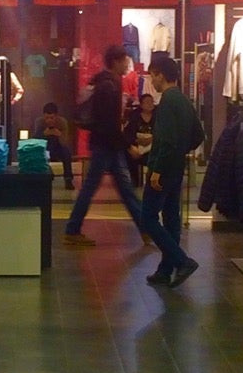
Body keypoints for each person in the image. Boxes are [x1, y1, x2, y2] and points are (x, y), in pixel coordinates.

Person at [63, 45, 144, 246]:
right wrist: (127, 145)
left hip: (105, 144)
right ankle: (72, 229)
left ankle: (146, 228)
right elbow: (109, 122)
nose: (127, 65)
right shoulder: (110, 85)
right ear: (116, 61)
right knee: (104, 188)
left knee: (121, 189)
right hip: (106, 145)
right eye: (125, 61)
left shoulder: (103, 81)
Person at [140, 51, 204, 288]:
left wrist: (157, 168)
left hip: (163, 169)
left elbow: (166, 140)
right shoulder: (184, 101)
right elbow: (198, 135)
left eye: (152, 76)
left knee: (148, 217)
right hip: (177, 167)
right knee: (170, 217)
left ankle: (181, 261)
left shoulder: (167, 101)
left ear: (160, 75)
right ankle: (165, 270)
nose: (152, 81)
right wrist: (180, 151)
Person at [125, 90, 157, 187]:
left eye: (151, 102)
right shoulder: (134, 116)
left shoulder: (158, 116)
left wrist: (152, 139)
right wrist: (136, 142)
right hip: (138, 147)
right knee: (129, 155)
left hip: (153, 147)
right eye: (147, 102)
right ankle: (134, 183)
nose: (150, 104)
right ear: (141, 105)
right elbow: (128, 133)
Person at [39, 101, 74, 188]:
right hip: (45, 148)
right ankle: (41, 178)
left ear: (56, 116)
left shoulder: (62, 122)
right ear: (43, 116)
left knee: (66, 153)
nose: (49, 120)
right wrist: (43, 134)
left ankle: (68, 179)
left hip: (58, 147)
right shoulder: (40, 122)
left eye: (52, 118)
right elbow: (35, 141)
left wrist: (59, 135)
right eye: (47, 118)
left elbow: (65, 142)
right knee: (40, 154)